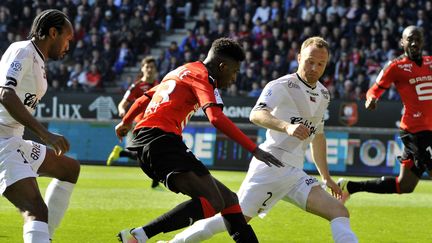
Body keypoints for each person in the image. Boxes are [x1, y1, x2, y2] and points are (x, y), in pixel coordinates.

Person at [166, 37, 358, 243]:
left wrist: (326, 177)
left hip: (295, 173)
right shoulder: (281, 85)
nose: (314, 67)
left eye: (320, 64)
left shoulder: (323, 94)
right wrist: (287, 126)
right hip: (271, 165)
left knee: (339, 211)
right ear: (299, 57)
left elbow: (318, 135)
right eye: (310, 61)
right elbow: (256, 114)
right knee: (230, 219)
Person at [114, 37, 284, 243]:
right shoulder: (204, 77)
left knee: (229, 200)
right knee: (213, 201)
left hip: (152, 139)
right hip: (161, 139)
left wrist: (125, 122)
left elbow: (144, 98)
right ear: (222, 66)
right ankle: (138, 236)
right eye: (234, 71)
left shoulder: (181, 70)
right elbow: (215, 118)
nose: (234, 78)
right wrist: (254, 149)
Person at [0, 9, 80, 243]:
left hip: (13, 139)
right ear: (53, 33)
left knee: (69, 169)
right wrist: (45, 134)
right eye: (67, 38)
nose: (68, 45)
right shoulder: (22, 50)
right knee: (35, 210)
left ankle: (46, 238)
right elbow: (5, 93)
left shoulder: (39, 61)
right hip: (2, 141)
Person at [338, 26, 432, 202]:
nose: (414, 42)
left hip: (429, 130)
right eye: (410, 39)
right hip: (415, 131)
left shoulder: (430, 62)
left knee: (405, 185)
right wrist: (371, 99)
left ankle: (350, 187)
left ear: (423, 42)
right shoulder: (395, 66)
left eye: (418, 39)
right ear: (402, 42)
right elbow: (374, 90)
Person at [107, 56, 160, 188]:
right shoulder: (136, 86)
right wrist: (122, 112)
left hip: (155, 124)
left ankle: (121, 153)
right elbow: (122, 104)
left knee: (147, 155)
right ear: (142, 68)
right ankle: (155, 183)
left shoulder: (160, 85)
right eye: (147, 67)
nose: (149, 69)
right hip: (140, 124)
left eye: (152, 67)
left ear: (156, 69)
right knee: (152, 154)